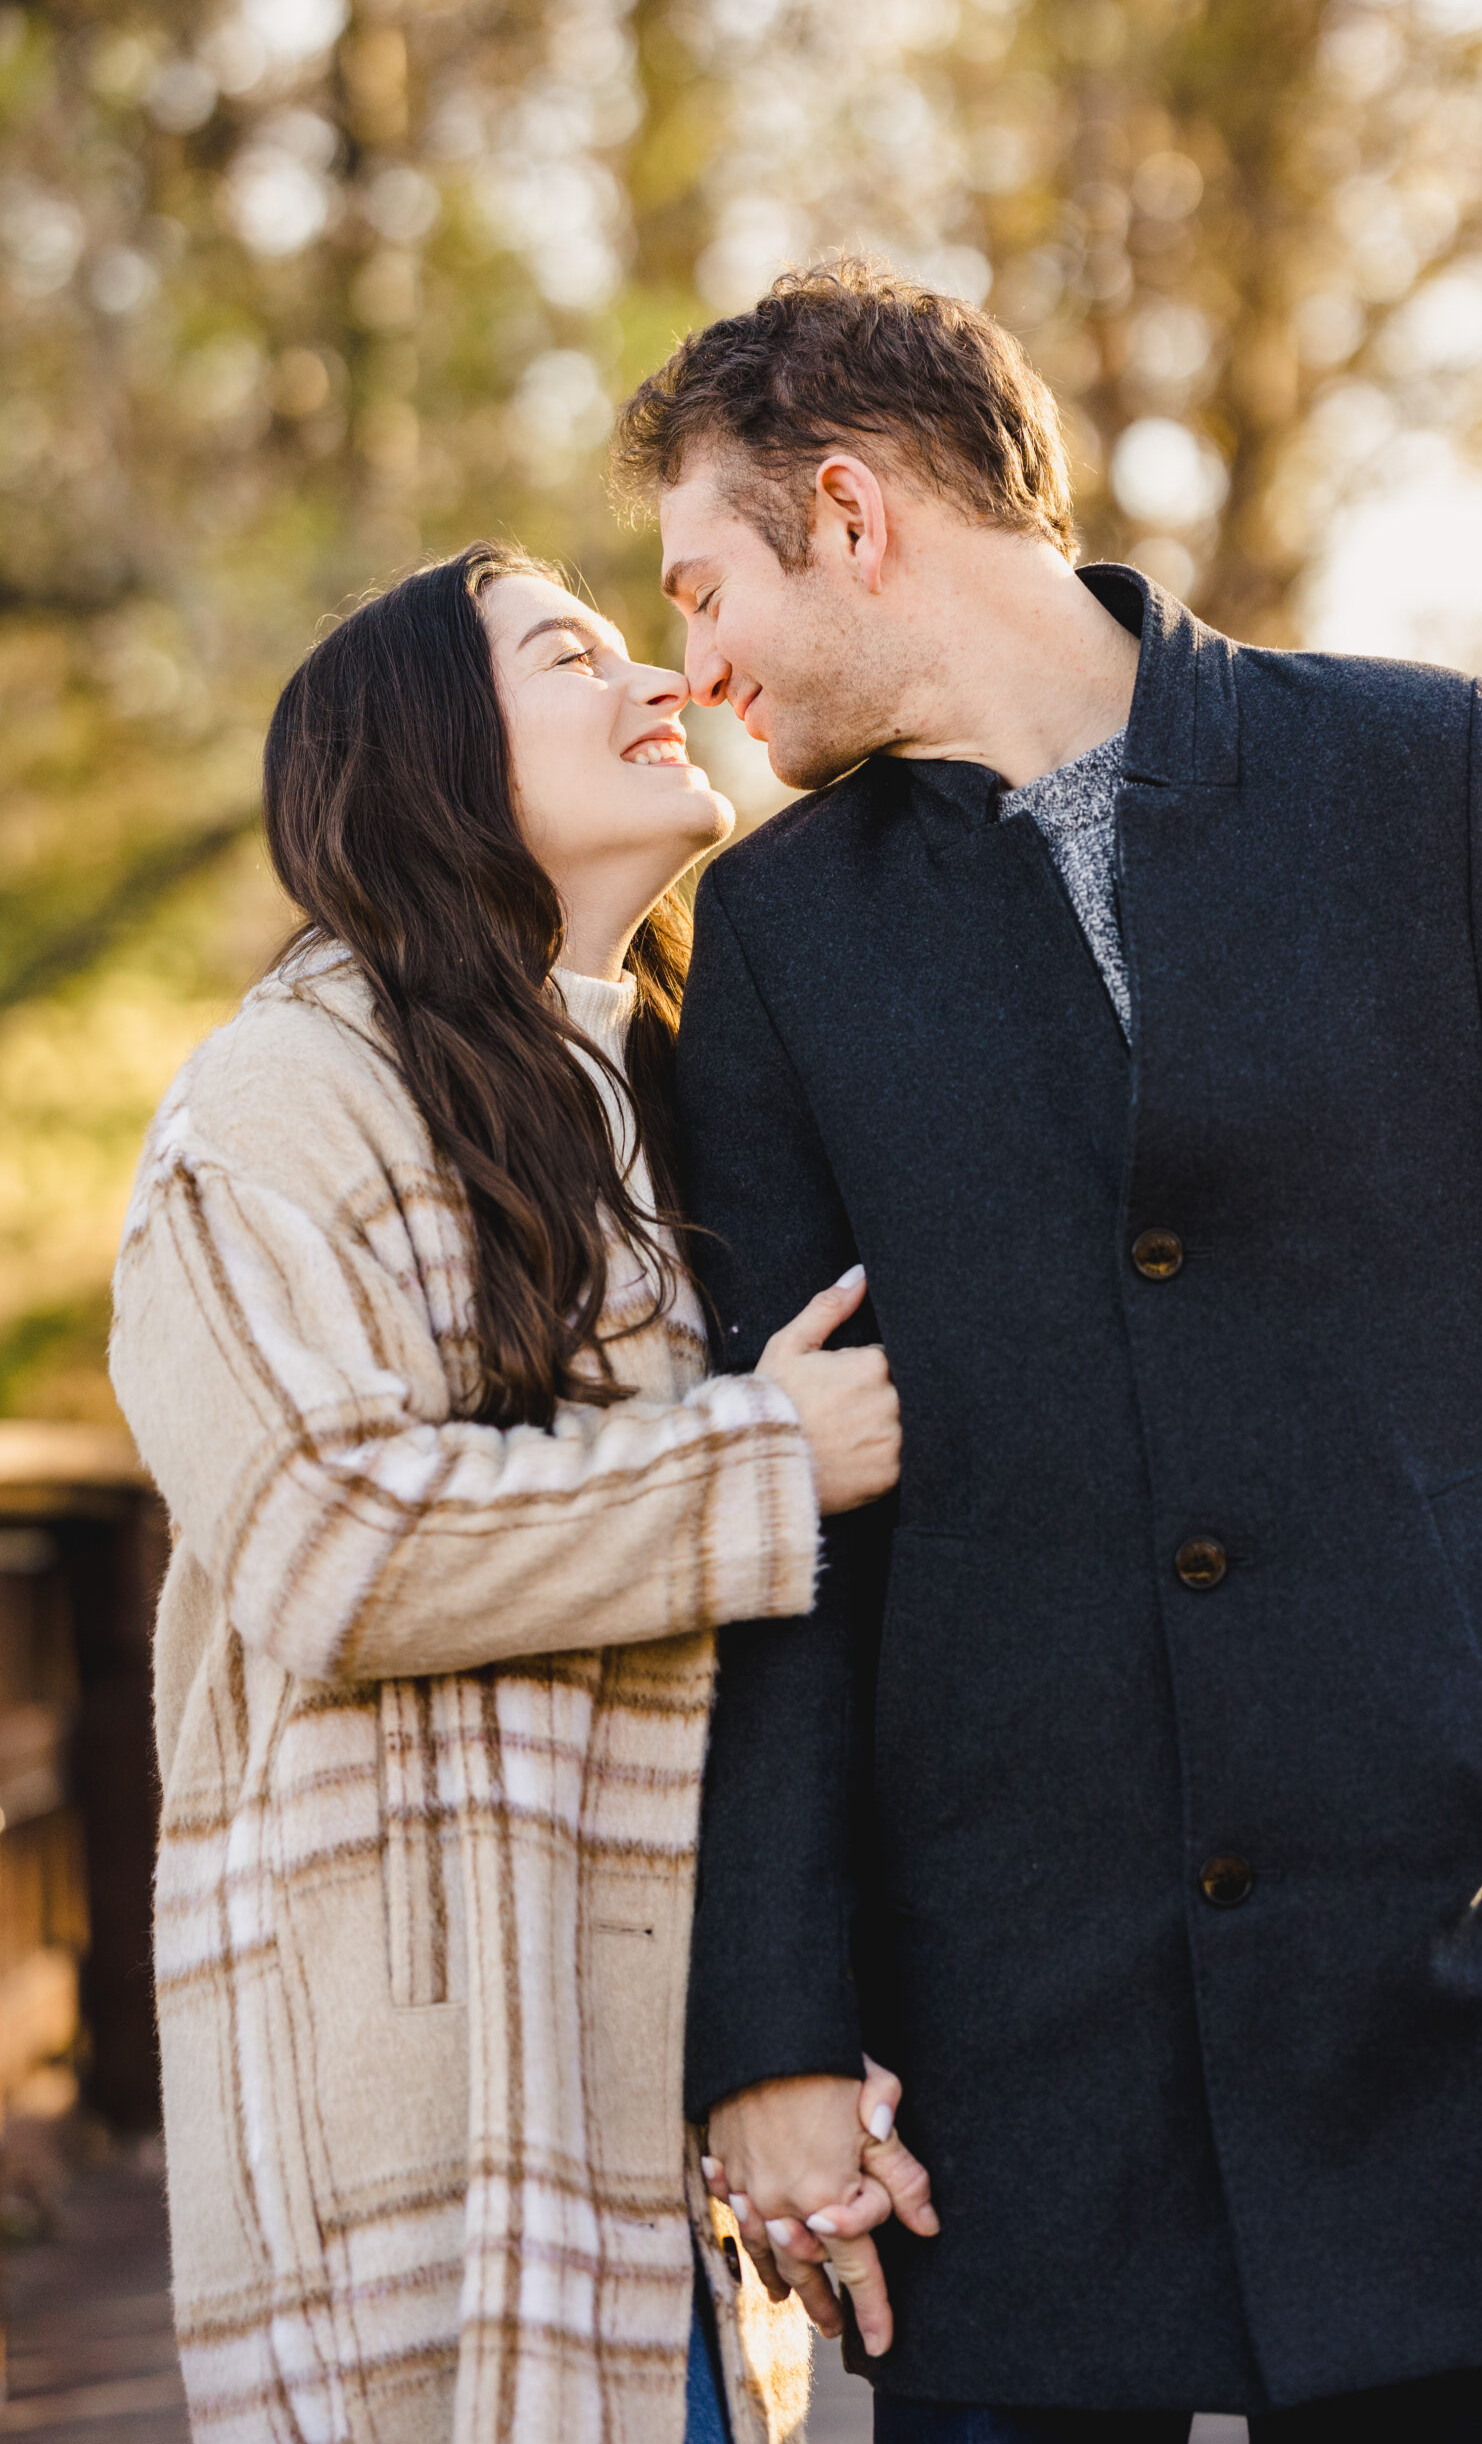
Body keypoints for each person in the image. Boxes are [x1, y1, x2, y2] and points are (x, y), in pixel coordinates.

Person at [609, 260, 1482, 2443]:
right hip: (1001, 2057)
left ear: (846, 509)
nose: (690, 664)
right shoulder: (779, 937)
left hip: (1426, 1998)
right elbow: (775, 1495)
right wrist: (774, 2024)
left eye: (696, 579)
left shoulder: (1415, 777)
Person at [107, 541, 927, 2444]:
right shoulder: (273, 1106)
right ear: (424, 758)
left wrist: (809, 2019)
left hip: (669, 2136)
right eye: (572, 651)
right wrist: (761, 1461)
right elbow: (332, 1542)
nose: (657, 679)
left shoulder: (656, 1094)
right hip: (438, 2125)